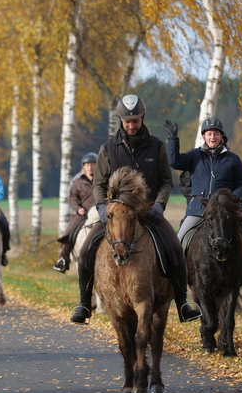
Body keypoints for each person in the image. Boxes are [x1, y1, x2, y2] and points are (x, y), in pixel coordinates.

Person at [71, 94, 203, 325]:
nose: (131, 125)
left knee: (175, 248)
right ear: (121, 120)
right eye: (127, 121)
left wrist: (159, 205)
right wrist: (103, 209)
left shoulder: (156, 146)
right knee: (84, 252)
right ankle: (84, 304)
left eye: (136, 121)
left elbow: (165, 181)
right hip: (115, 216)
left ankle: (183, 303)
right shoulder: (108, 148)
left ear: (142, 118)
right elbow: (98, 184)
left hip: (148, 213)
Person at [164, 116, 242, 303]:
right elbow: (175, 162)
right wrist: (174, 140)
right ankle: (170, 281)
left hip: (226, 210)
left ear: (221, 137)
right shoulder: (194, 156)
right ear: (204, 136)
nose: (212, 137)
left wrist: (233, 198)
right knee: (180, 240)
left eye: (216, 134)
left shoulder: (232, 159)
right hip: (199, 209)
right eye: (209, 134)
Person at [53, 152, 97, 273]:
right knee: (69, 234)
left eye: (92, 164)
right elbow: (72, 198)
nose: (90, 167)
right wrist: (78, 209)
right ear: (83, 166)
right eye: (87, 165)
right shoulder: (77, 183)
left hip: (100, 215)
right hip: (82, 215)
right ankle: (62, 259)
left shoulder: (103, 181)